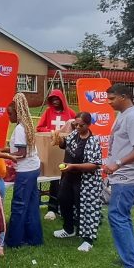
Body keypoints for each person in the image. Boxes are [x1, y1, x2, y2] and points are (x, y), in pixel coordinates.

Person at [103, 84, 134, 268]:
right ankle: (133, 258)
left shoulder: (133, 117)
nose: (109, 102)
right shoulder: (124, 114)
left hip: (128, 176)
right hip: (122, 174)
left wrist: (118, 163)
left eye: (112, 98)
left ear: (124, 96)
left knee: (117, 216)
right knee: (122, 215)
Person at [54, 112, 105, 253]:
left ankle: (88, 239)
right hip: (69, 177)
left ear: (88, 125)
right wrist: (58, 139)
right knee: (63, 200)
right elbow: (64, 144)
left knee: (85, 208)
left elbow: (94, 165)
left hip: (85, 181)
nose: (77, 127)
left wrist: (73, 166)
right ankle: (69, 229)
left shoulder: (93, 141)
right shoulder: (74, 135)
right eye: (75, 124)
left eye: (80, 125)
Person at [5, 93, 43, 248]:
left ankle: (14, 240)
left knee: (19, 205)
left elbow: (21, 153)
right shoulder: (26, 125)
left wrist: (3, 155)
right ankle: (34, 238)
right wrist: (2, 150)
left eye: (10, 114)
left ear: (17, 113)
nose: (8, 117)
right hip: (33, 168)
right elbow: (19, 149)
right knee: (32, 205)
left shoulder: (20, 129)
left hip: (25, 171)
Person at [37, 89, 76, 220]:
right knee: (54, 179)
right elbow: (39, 127)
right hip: (52, 149)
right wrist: (52, 131)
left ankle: (66, 208)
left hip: (67, 150)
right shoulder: (48, 112)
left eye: (57, 99)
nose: (55, 102)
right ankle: (52, 208)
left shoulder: (70, 113)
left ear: (61, 100)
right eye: (52, 99)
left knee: (66, 180)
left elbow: (77, 127)